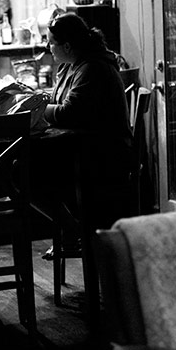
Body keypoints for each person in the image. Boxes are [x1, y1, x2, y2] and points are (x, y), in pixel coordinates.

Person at [38, 13, 133, 257]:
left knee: (25, 171)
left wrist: (38, 109)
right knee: (24, 167)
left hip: (103, 156)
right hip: (83, 149)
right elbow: (58, 104)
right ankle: (72, 230)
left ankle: (73, 230)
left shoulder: (92, 68)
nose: (48, 47)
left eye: (51, 42)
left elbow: (68, 112)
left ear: (67, 46)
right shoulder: (71, 67)